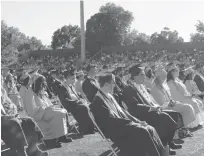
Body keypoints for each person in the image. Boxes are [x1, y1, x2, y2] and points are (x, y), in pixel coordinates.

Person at [90, 74, 168, 156]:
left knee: (150, 128)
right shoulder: (98, 102)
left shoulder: (108, 96)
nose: (115, 85)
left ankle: (161, 153)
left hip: (123, 125)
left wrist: (138, 121)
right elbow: (110, 122)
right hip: (116, 131)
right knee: (143, 131)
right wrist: (134, 124)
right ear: (106, 84)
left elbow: (123, 112)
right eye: (113, 83)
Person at [123, 64, 182, 155]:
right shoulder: (129, 89)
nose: (145, 77)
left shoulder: (142, 86)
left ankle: (168, 143)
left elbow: (150, 100)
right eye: (142, 75)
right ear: (134, 77)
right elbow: (134, 107)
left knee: (175, 114)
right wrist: (151, 108)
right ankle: (164, 147)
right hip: (142, 115)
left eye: (144, 75)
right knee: (166, 118)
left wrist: (157, 106)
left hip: (152, 111)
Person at [19, 73, 72, 148]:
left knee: (62, 111)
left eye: (43, 82)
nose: (42, 85)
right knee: (58, 114)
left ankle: (61, 136)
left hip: (45, 112)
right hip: (38, 115)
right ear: (35, 83)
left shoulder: (40, 92)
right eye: (40, 82)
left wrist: (51, 106)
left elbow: (47, 103)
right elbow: (31, 110)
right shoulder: (29, 94)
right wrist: (45, 109)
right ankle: (52, 140)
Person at [150, 66, 196, 137]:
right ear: (159, 77)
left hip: (170, 104)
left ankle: (183, 129)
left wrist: (173, 102)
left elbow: (169, 97)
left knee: (188, 107)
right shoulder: (155, 88)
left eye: (165, 76)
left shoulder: (163, 85)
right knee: (187, 108)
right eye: (163, 76)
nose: (165, 78)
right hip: (164, 108)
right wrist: (171, 103)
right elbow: (161, 103)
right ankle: (182, 130)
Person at [49, 69, 95, 135]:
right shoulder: (62, 87)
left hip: (75, 103)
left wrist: (80, 99)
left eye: (74, 78)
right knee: (83, 107)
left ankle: (90, 127)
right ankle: (85, 128)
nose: (74, 80)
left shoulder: (71, 86)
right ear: (66, 79)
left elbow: (76, 95)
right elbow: (64, 100)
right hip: (68, 105)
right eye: (72, 79)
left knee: (87, 105)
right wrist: (77, 102)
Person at [166, 64, 204, 129]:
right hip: (179, 100)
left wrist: (190, 95)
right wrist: (188, 97)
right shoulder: (171, 82)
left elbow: (185, 91)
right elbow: (176, 95)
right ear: (172, 72)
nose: (178, 71)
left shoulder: (177, 80)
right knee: (193, 102)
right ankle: (191, 124)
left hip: (184, 97)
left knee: (195, 101)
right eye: (176, 70)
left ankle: (197, 122)